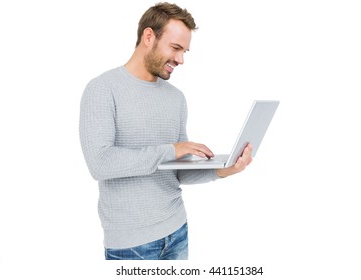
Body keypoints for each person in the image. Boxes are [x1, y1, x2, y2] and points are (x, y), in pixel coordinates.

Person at [79, 2, 253, 260]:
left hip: (177, 232)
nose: (180, 60)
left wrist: (222, 170)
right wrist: (171, 150)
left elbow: (176, 172)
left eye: (184, 51)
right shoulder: (103, 89)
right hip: (131, 245)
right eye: (175, 48)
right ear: (148, 36)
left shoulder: (176, 98)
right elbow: (100, 164)